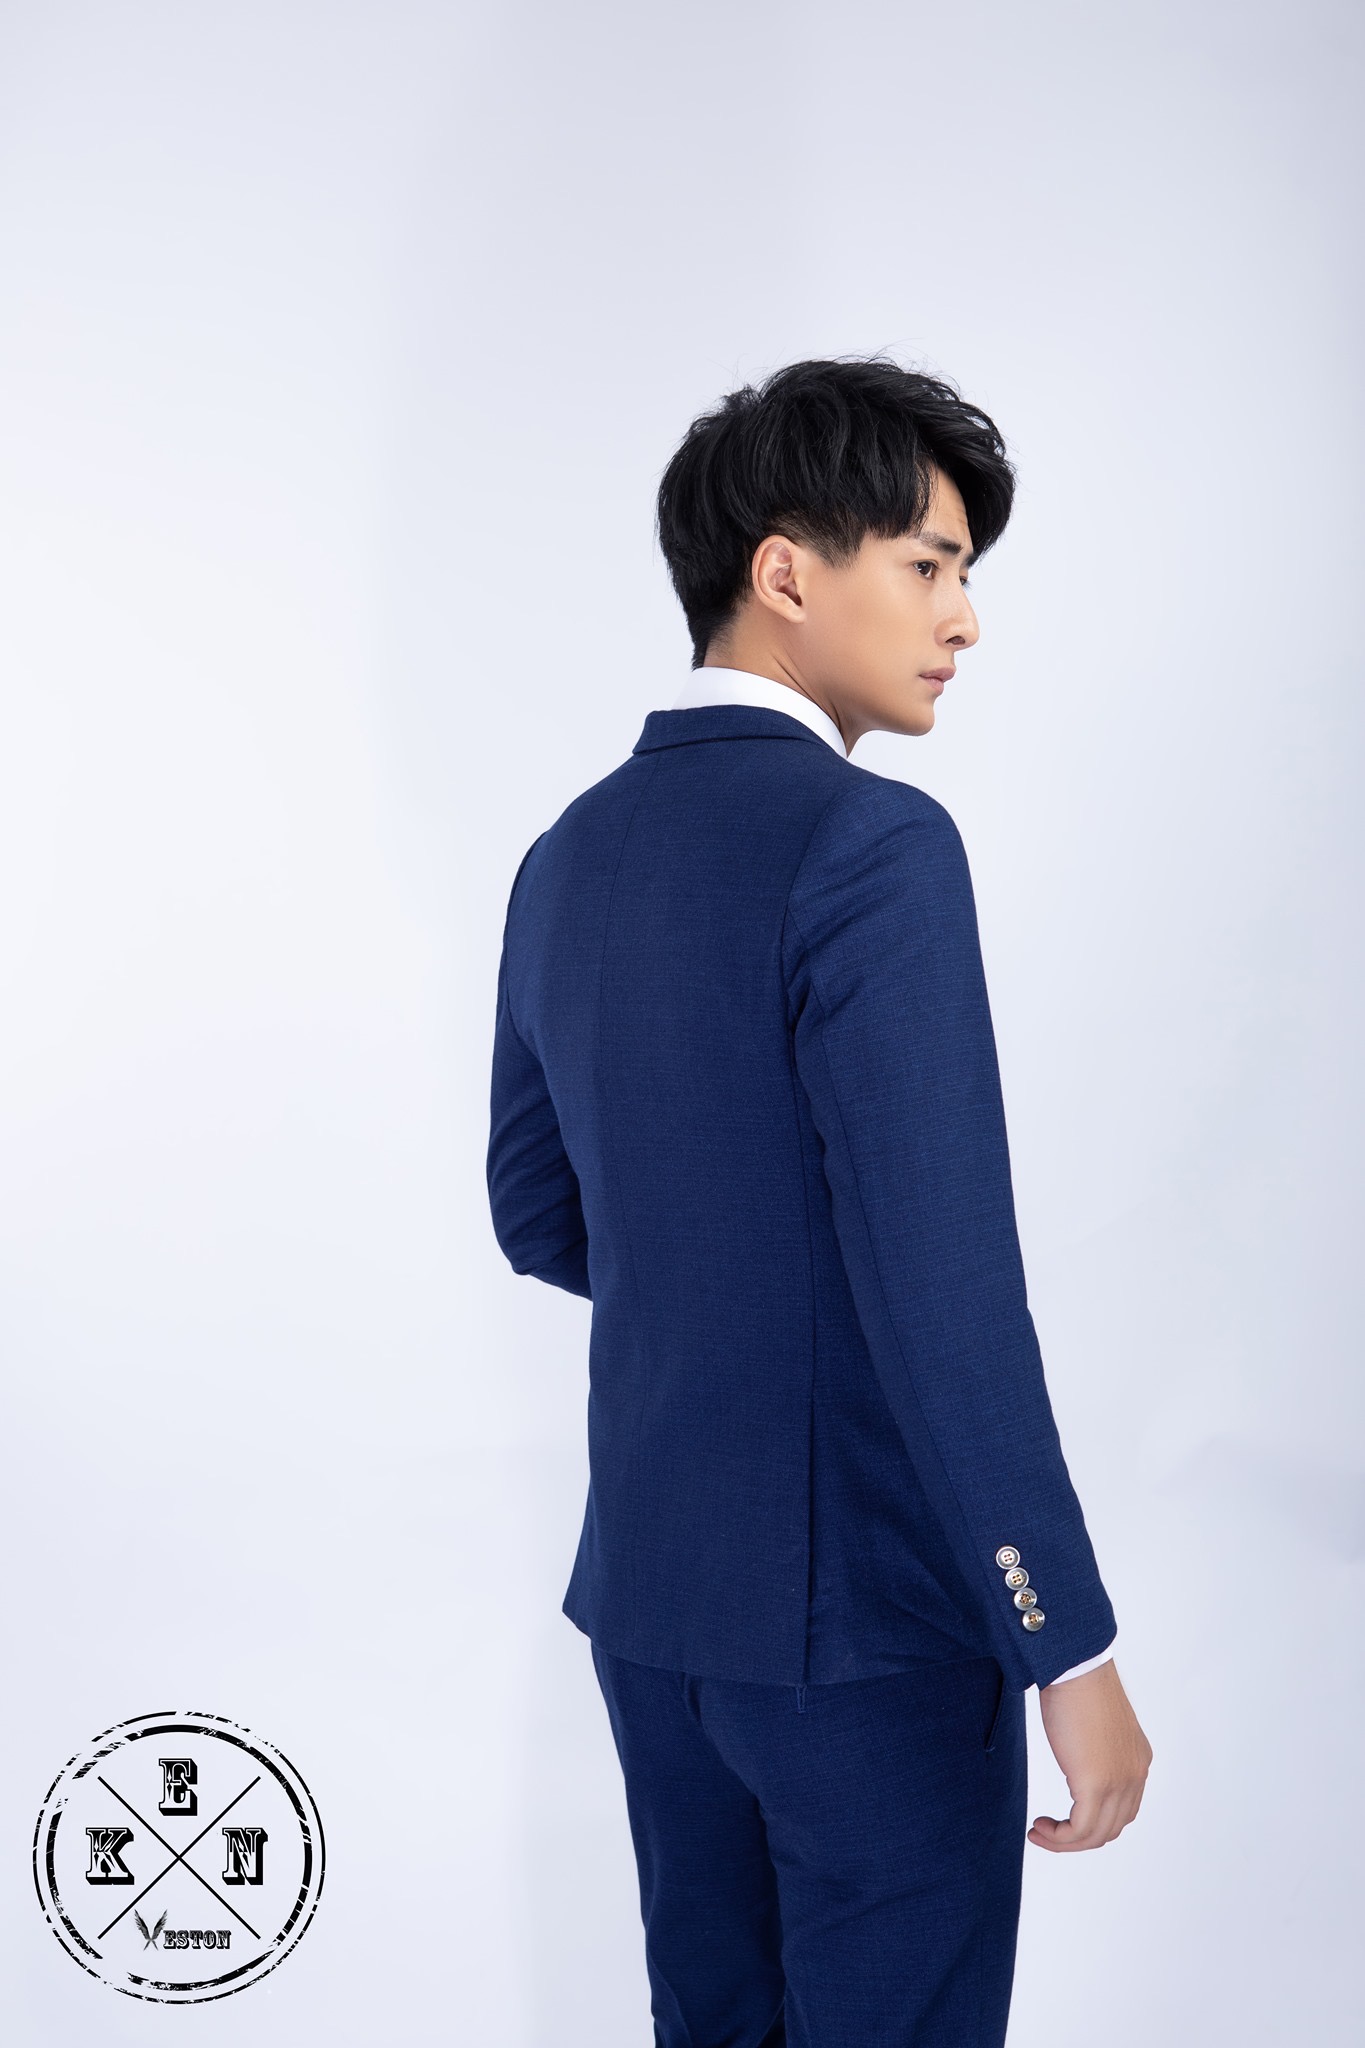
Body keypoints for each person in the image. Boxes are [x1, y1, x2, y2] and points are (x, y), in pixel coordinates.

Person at [486, 355, 1152, 2046]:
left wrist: (730, 1292)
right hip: (869, 1633)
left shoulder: (565, 855)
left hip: (651, 1612)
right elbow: (943, 1295)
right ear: (785, 571)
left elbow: (536, 1212)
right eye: (929, 566)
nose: (962, 620)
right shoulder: (872, 846)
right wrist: (1065, 1647)